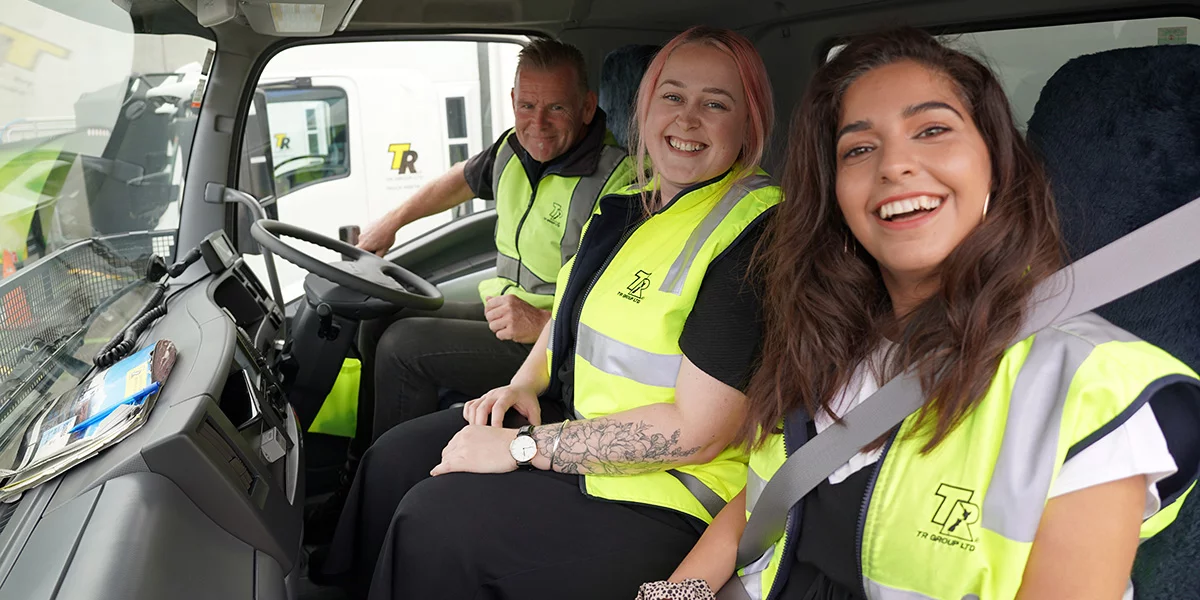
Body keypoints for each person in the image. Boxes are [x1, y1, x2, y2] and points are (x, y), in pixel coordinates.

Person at [639, 29, 1200, 600]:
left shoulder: (1087, 391)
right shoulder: (827, 333)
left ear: (996, 163)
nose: (896, 165)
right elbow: (764, 497)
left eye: (932, 130)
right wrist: (671, 595)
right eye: (859, 148)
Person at [313, 26, 781, 600]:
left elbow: (698, 435)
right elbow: (569, 313)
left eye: (715, 103)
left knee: (437, 524)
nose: (687, 119)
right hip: (579, 424)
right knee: (393, 461)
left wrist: (524, 448)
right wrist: (523, 383)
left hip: (670, 488)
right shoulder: (628, 205)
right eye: (673, 96)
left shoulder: (755, 233)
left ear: (750, 123)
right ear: (644, 107)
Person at [306, 39, 635, 541]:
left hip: (555, 352)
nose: (538, 123)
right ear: (512, 102)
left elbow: (620, 304)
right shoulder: (512, 150)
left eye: (556, 108)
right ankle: (358, 483)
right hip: (502, 317)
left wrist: (543, 326)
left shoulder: (617, 181)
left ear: (588, 107)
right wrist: (390, 223)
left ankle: (382, 514)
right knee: (382, 321)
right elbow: (457, 181)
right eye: (527, 106)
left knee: (404, 347)